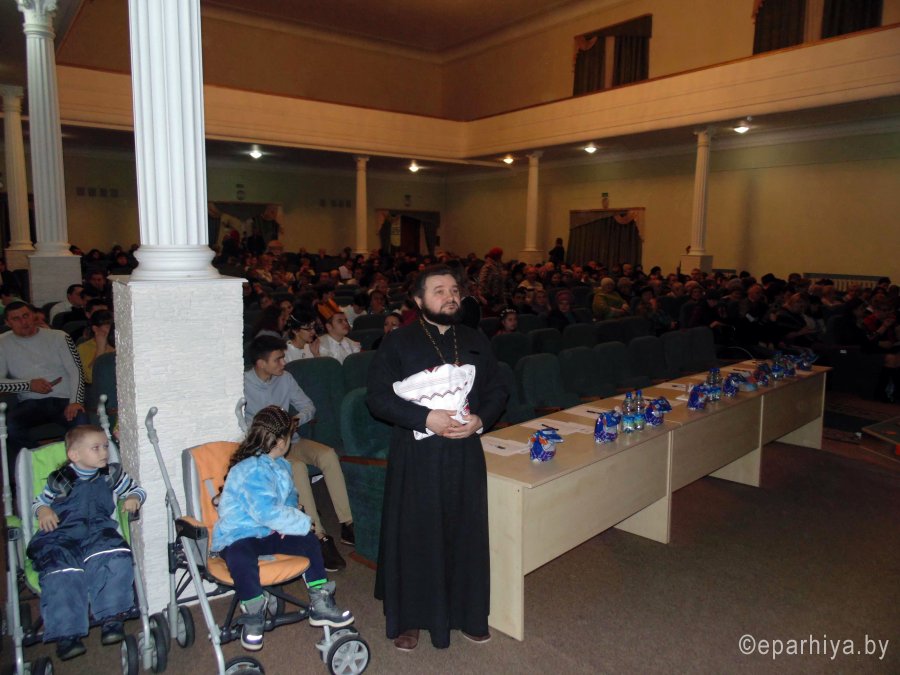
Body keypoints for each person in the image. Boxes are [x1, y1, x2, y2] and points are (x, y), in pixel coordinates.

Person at [367, 265, 508, 651]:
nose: (450, 297)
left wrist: (481, 419)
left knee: (465, 532)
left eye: (454, 290)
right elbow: (377, 398)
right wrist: (424, 417)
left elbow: (497, 388)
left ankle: (468, 614)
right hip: (417, 456)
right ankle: (411, 618)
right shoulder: (398, 342)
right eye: (439, 290)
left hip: (464, 452)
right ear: (418, 300)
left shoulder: (475, 338)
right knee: (417, 534)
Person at [212, 406, 353, 652]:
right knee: (239, 556)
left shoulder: (281, 466)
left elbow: (286, 501)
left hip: (267, 532)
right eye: (289, 435)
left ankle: (319, 598)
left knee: (309, 541)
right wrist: (301, 520)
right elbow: (266, 512)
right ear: (280, 441)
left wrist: (295, 512)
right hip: (240, 533)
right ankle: (254, 609)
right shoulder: (252, 469)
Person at [27, 425, 146, 661]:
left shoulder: (110, 474)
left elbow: (137, 489)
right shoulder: (62, 479)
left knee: (115, 555)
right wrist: (43, 511)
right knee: (61, 571)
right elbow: (38, 502)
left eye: (105, 447)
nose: (104, 452)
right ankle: (67, 634)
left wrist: (133, 497)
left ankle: (112, 617)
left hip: (98, 532)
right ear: (75, 455)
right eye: (96, 448)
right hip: (62, 534)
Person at [243, 336, 354, 571]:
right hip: (268, 451)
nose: (283, 363)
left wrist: (296, 420)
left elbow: (308, 406)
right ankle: (318, 534)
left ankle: (347, 522)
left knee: (328, 455)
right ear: (261, 363)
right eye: (278, 359)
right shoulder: (243, 385)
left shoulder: (285, 378)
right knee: (297, 468)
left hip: (292, 440)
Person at [0, 302, 88, 468]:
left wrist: (76, 401)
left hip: (64, 400)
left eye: (26, 316)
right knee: (8, 427)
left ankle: (70, 465)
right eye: (16, 319)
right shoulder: (3, 342)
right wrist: (28, 385)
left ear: (33, 315)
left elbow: (76, 370)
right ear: (7, 322)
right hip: (30, 403)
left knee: (81, 424)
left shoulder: (59, 337)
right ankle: (41, 462)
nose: (23, 322)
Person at [77, 310, 115, 385]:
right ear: (95, 329)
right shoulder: (83, 348)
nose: (113, 330)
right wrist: (100, 349)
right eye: (108, 327)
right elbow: (91, 377)